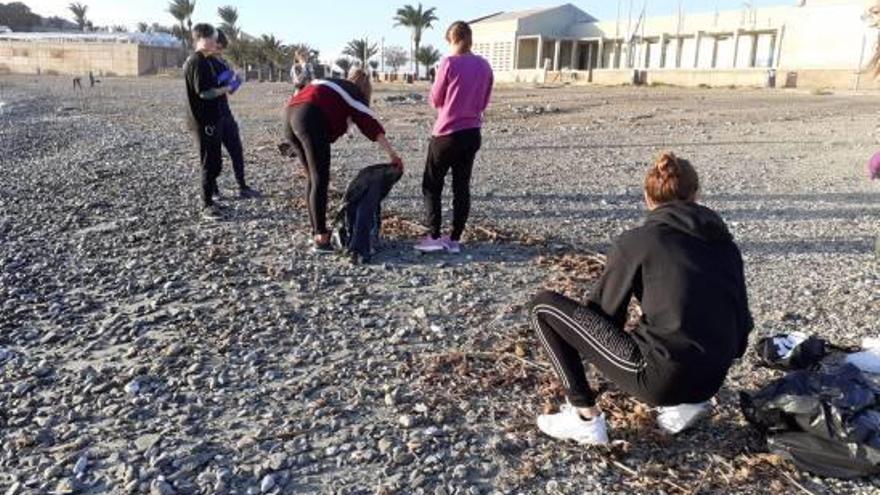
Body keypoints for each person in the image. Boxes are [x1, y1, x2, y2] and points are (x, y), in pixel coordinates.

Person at [529, 152, 753, 445]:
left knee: (543, 306)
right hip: (712, 378)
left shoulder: (637, 241)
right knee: (678, 328)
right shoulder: (726, 245)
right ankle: (684, 406)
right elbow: (741, 329)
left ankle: (584, 417)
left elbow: (603, 319)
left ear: (647, 199)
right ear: (696, 195)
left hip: (661, 378)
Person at [283, 69, 404, 253]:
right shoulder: (354, 93)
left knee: (313, 178)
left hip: (290, 115)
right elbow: (371, 125)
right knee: (320, 179)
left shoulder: (334, 85)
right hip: (309, 116)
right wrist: (393, 156)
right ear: (366, 89)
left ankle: (316, 231)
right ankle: (321, 238)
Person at [415, 21, 493, 254]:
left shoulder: (448, 63)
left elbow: (436, 100)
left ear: (452, 39)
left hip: (447, 133)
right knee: (461, 186)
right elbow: (484, 101)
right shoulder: (485, 65)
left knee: (432, 184)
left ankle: (435, 235)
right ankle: (455, 238)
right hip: (472, 132)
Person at [183, 23, 240, 220]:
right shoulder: (196, 62)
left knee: (215, 162)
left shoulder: (206, 60)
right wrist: (225, 89)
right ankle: (206, 204)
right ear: (202, 38)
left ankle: (211, 200)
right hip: (203, 121)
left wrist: (230, 81)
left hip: (213, 119)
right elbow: (204, 93)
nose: (216, 42)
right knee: (209, 163)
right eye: (213, 39)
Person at [210, 30, 259, 199]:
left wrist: (237, 80)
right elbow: (210, 87)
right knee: (213, 155)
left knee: (236, 150)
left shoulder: (223, 63)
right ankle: (213, 189)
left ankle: (242, 185)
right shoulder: (203, 63)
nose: (219, 49)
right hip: (210, 115)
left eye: (221, 46)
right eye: (217, 44)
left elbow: (230, 90)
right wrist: (229, 79)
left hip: (225, 112)